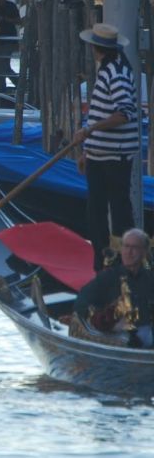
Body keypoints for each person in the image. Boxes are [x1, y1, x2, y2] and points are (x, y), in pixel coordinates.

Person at [71, 23, 140, 271]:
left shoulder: (116, 74)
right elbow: (104, 112)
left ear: (95, 48)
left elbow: (124, 113)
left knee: (118, 210)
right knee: (97, 209)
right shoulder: (109, 70)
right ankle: (102, 261)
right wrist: (88, 150)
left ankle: (124, 263)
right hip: (100, 155)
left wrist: (90, 130)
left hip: (115, 155)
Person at [74, 228, 154, 347]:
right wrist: (103, 321)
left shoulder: (150, 279)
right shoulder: (107, 277)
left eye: (134, 247)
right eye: (126, 246)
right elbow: (80, 303)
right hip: (117, 340)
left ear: (144, 251)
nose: (129, 252)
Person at [0, 0, 21, 92]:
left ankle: (16, 84)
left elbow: (19, 21)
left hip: (8, 41)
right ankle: (3, 87)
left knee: (3, 65)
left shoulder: (10, 6)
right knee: (1, 66)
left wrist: (5, 19)